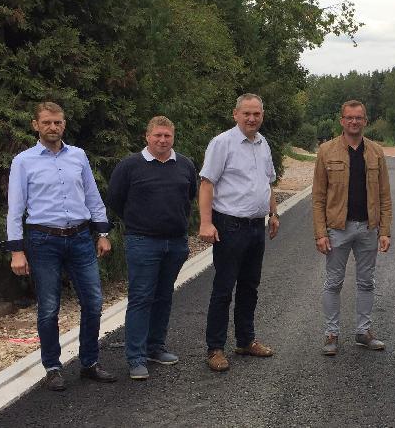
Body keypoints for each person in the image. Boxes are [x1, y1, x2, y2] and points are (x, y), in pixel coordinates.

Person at [6, 102, 116, 391]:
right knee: (49, 308)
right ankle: (52, 367)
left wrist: (102, 232)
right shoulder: (23, 161)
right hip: (43, 241)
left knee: (93, 302)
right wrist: (17, 250)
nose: (52, 127)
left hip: (80, 238)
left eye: (57, 122)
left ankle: (89, 363)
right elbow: (15, 209)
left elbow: (92, 195)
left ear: (64, 124)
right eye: (47, 123)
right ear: (36, 125)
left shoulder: (78, 156)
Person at [108, 116, 198, 380]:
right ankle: (135, 356)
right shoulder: (130, 166)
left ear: (173, 137)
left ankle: (155, 347)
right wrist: (140, 221)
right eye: (157, 135)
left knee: (164, 295)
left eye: (167, 136)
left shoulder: (185, 164)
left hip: (176, 242)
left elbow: (189, 195)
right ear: (147, 136)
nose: (162, 140)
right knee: (141, 298)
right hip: (142, 241)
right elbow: (115, 199)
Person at [198, 93, 280, 372]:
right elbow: (207, 184)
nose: (252, 118)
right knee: (223, 288)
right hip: (229, 226)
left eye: (256, 114)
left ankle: (246, 340)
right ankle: (215, 348)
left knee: (250, 287)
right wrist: (206, 223)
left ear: (262, 115)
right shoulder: (222, 143)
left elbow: (267, 182)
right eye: (246, 113)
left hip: (256, 226)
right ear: (235, 115)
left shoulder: (263, 143)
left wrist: (274, 212)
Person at [312, 100, 392, 356]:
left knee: (366, 282)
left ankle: (363, 331)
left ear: (365, 121)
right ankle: (331, 333)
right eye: (349, 118)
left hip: (368, 228)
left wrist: (385, 230)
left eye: (358, 118)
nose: (354, 122)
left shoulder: (376, 152)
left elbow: (385, 195)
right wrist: (321, 233)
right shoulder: (326, 151)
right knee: (333, 282)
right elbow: (318, 197)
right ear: (342, 120)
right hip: (338, 228)